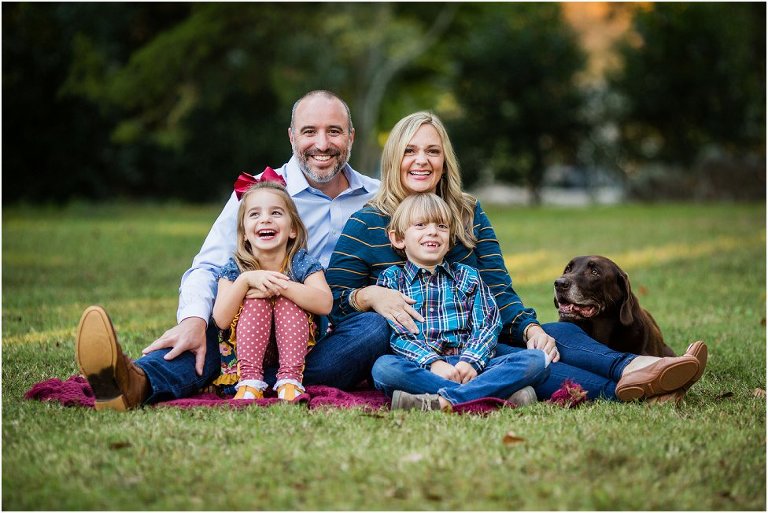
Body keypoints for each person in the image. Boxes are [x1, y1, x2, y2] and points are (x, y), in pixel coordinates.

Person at [326, 111, 707, 403]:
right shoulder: (368, 222)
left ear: (445, 159)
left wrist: (530, 329)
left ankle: (640, 371)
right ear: (394, 159)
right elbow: (334, 307)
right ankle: (629, 385)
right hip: (409, 349)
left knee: (552, 340)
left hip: (475, 340)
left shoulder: (467, 213)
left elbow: (497, 291)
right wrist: (368, 295)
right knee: (527, 365)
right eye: (410, 150)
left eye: (432, 150)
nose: (421, 160)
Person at [75, 90, 388, 411]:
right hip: (251, 319)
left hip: (328, 333)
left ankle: (238, 376)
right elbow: (209, 266)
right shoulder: (258, 193)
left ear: (351, 136)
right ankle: (134, 382)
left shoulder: (379, 196)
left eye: (333, 131)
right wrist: (193, 319)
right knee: (211, 328)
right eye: (310, 132)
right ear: (292, 136)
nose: (322, 144)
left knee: (375, 328)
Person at [372, 193, 551, 411]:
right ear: (398, 238)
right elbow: (398, 335)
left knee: (536, 360)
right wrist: (433, 363)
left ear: (450, 240)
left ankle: (442, 402)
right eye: (420, 225)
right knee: (384, 369)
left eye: (441, 226)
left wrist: (471, 361)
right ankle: (487, 396)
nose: (432, 232)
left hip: (472, 365)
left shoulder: (468, 277)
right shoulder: (392, 280)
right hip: (422, 367)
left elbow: (488, 324)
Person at [212, 180, 332, 401]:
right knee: (256, 301)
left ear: (293, 229)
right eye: (254, 214)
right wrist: (246, 281)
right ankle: (249, 383)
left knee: (288, 299)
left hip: (298, 352)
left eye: (276, 213)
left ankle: (289, 381)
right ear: (244, 233)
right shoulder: (236, 268)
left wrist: (281, 286)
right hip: (248, 353)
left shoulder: (301, 262)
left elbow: (325, 303)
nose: (265, 219)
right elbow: (220, 319)